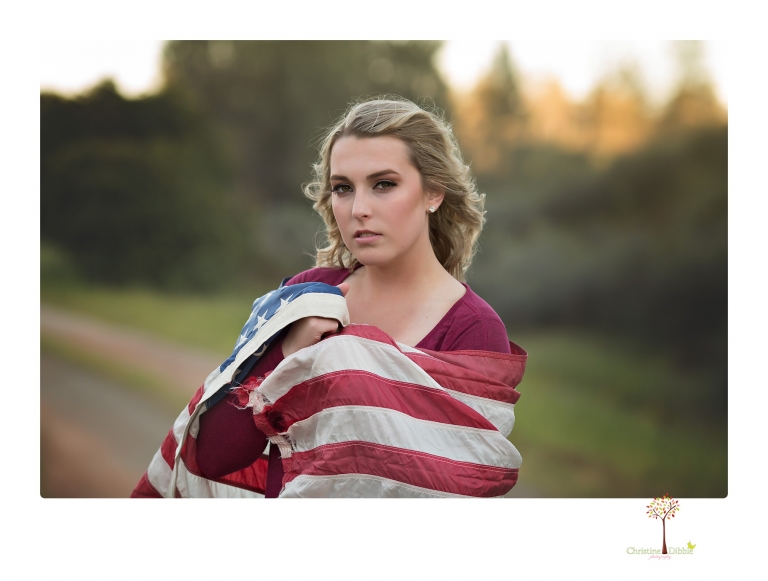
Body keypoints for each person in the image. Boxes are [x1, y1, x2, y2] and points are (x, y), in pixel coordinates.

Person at [131, 97, 523, 498]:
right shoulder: (309, 295)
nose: (359, 209)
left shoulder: (472, 329)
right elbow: (213, 456)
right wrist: (284, 353)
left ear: (433, 193)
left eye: (384, 184)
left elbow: (461, 492)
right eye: (343, 188)